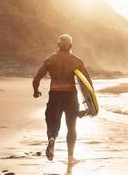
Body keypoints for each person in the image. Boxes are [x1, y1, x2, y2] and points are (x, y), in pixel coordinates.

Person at [32, 34, 93, 164]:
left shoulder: (50, 60)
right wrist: (91, 104)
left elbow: (36, 79)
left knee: (53, 121)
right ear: (71, 46)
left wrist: (36, 91)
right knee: (71, 126)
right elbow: (88, 82)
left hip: (55, 94)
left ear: (58, 45)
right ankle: (70, 157)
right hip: (71, 95)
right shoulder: (77, 61)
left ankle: (52, 138)